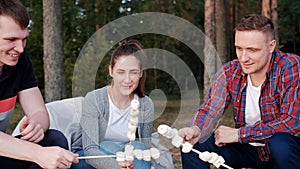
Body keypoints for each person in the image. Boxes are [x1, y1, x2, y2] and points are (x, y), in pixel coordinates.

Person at [178, 14, 300, 169]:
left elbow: (292, 123)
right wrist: (195, 129)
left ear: (271, 46)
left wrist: (239, 134)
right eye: (239, 48)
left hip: (287, 151)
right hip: (249, 149)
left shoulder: (290, 66)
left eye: (252, 50)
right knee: (194, 146)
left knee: (280, 143)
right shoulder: (230, 71)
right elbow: (210, 109)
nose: (243, 58)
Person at [0, 0, 78, 168]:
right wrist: (37, 154)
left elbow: (39, 112)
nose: (20, 49)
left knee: (54, 140)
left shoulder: (20, 61)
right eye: (11, 39)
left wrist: (36, 125)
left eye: (24, 39)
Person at [70, 40, 166, 169]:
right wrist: (117, 166)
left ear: (141, 73)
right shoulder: (94, 99)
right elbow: (90, 150)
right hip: (92, 159)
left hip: (129, 159)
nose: (127, 80)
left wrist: (151, 165)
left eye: (133, 72)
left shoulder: (146, 104)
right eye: (121, 72)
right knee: (109, 146)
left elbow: (146, 146)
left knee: (139, 147)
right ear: (111, 71)